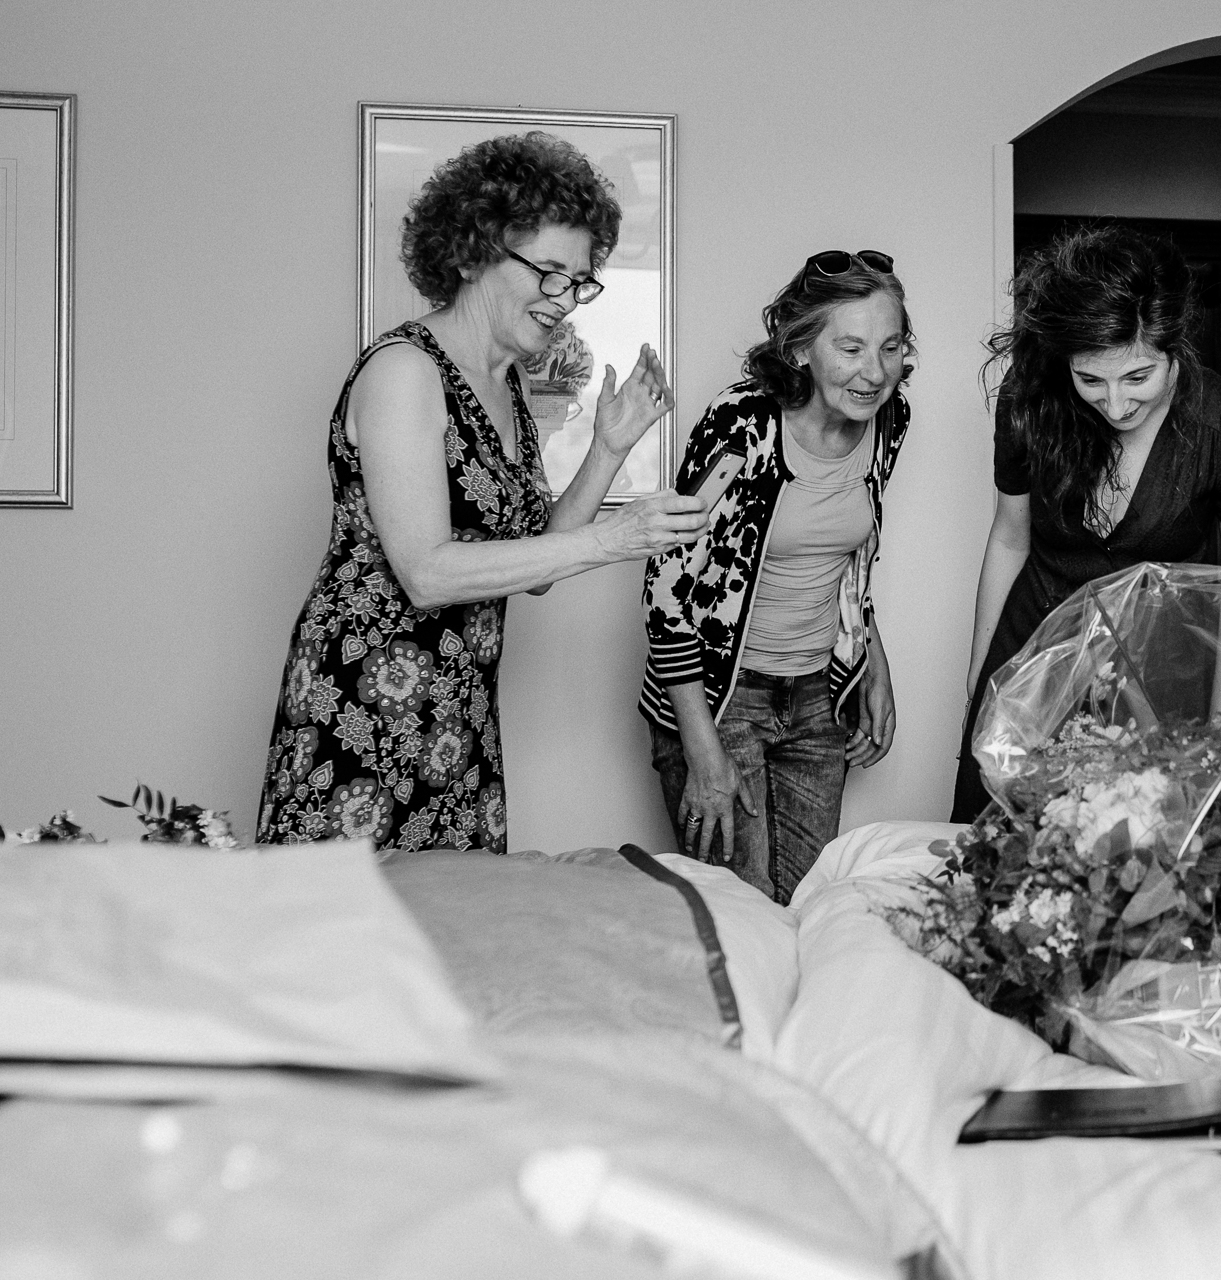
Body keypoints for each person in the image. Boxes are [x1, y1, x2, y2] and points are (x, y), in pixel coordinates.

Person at [258, 132, 704, 854]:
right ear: (471, 252)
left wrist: (608, 449)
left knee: (455, 939)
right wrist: (616, 541)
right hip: (360, 709)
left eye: (580, 280)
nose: (565, 299)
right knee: (345, 946)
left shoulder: (504, 386)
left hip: (456, 718)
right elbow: (428, 572)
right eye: (549, 273)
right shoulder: (405, 371)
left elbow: (536, 565)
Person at [953, 225, 1221, 822]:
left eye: (1137, 377)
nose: (1116, 403)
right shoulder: (1030, 400)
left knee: (1134, 842)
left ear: (1175, 347)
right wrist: (983, 678)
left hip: (1158, 666)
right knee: (1001, 841)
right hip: (1035, 646)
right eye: (1090, 380)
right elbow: (1008, 536)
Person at [642, 251, 912, 904]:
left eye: (891, 346)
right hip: (720, 700)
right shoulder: (743, 425)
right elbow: (666, 589)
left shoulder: (888, 422)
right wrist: (702, 753)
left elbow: (848, 561)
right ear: (799, 350)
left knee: (806, 908)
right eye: (850, 347)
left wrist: (873, 660)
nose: (873, 371)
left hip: (818, 700)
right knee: (743, 911)